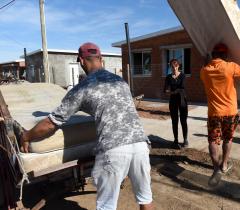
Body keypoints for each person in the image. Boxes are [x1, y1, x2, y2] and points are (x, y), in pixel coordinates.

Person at [21, 42, 154, 210]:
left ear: (81, 61)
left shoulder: (82, 88)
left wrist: (26, 136)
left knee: (106, 206)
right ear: (101, 59)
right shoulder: (120, 82)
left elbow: (50, 123)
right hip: (141, 145)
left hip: (114, 149)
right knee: (145, 199)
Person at [200, 43, 240, 186]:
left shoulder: (204, 71)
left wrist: (207, 59)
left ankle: (216, 169)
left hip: (214, 113)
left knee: (213, 141)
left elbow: (207, 66)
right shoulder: (230, 67)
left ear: (213, 55)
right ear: (225, 55)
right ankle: (224, 165)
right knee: (228, 139)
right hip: (230, 113)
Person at [164, 58, 188, 149]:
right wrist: (172, 92)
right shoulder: (168, 77)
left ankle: (185, 139)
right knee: (174, 121)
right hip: (173, 101)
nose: (174, 68)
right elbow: (165, 89)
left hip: (182, 100)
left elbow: (182, 87)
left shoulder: (182, 76)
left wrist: (172, 91)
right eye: (172, 66)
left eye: (176, 66)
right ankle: (176, 139)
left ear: (178, 66)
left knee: (183, 120)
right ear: (170, 67)